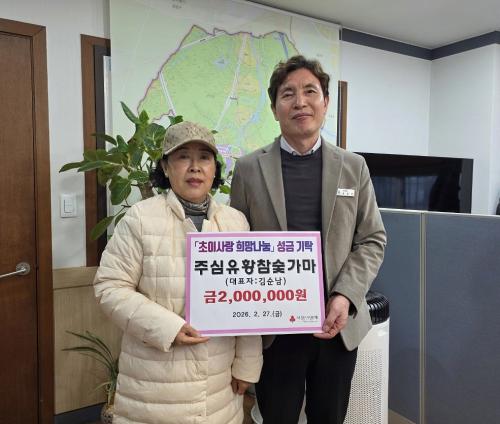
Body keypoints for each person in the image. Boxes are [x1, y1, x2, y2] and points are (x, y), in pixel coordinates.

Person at [230, 55, 387, 424]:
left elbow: (372, 239)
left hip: (335, 325)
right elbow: (236, 243)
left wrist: (345, 295)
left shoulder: (354, 167)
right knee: (276, 417)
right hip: (275, 330)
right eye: (288, 94)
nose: (300, 102)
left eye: (310, 92)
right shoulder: (249, 169)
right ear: (274, 108)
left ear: (325, 103)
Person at [94, 121, 263, 424]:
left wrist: (247, 365)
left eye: (204, 157)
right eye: (183, 157)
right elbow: (110, 287)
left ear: (214, 169)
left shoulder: (236, 222)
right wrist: (168, 327)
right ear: (165, 167)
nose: (195, 167)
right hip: (155, 387)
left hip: (218, 387)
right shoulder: (141, 218)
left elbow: (247, 299)